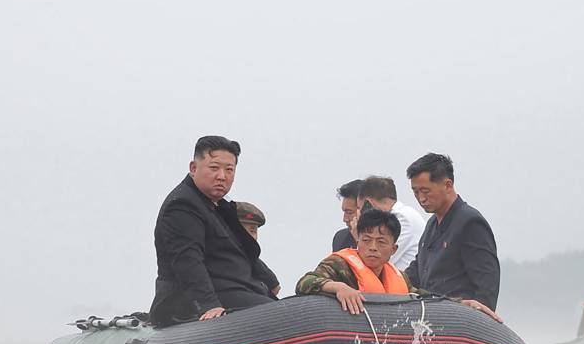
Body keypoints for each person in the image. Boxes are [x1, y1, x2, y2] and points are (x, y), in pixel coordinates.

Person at [149, 136, 276, 326]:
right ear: (194, 168)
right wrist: (208, 305)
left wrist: (269, 281)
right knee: (273, 314)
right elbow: (187, 260)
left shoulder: (218, 208)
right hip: (192, 302)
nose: (222, 176)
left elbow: (240, 250)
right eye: (214, 168)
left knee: (292, 311)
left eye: (229, 170)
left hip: (236, 290)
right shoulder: (182, 206)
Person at [403, 153, 502, 321]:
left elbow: (487, 283)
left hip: (458, 321)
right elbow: (416, 273)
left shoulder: (470, 222)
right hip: (430, 319)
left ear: (447, 185)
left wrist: (478, 322)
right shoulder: (431, 225)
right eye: (416, 192)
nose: (421, 198)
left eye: (426, 191)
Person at [297, 210, 424, 314]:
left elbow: (420, 296)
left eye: (381, 242)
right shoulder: (338, 264)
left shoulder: (401, 277)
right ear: (358, 242)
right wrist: (339, 288)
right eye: (366, 240)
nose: (373, 247)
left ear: (393, 249)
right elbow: (304, 283)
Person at [356, 176, 427, 270]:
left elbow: (374, 261)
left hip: (404, 281)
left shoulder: (402, 217)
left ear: (368, 203)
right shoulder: (406, 213)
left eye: (360, 208)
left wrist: (358, 234)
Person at [234, 201, 281, 296]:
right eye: (241, 229)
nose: (248, 235)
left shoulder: (252, 259)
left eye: (253, 231)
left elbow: (275, 288)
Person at [332, 179, 362, 251]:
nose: (345, 219)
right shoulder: (340, 239)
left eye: (349, 212)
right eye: (344, 212)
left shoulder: (387, 240)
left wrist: (360, 241)